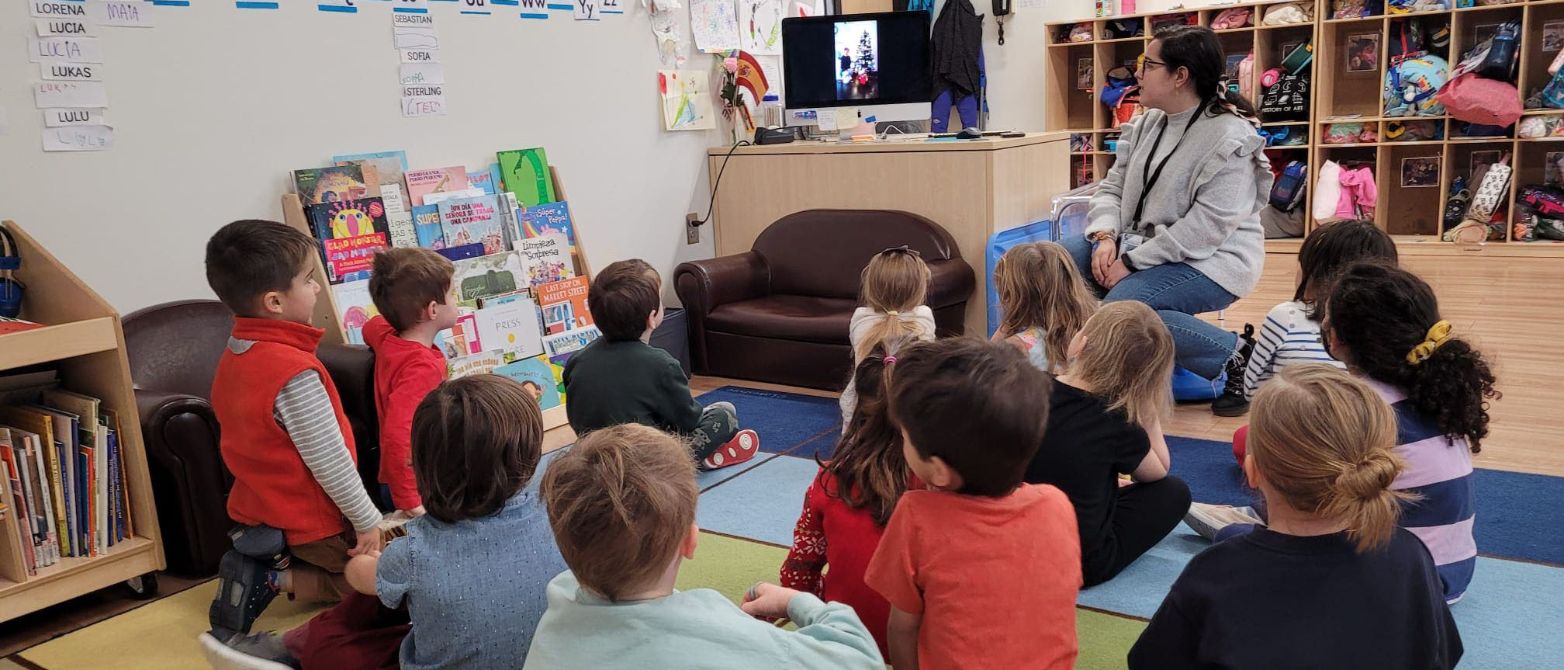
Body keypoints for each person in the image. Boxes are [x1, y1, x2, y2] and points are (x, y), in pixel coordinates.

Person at [1128, 365, 1463, 669]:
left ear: (1252, 471)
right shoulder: (1410, 555)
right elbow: (1442, 655)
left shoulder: (1216, 572)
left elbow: (1148, 662)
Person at [524, 424, 885, 669]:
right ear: (691, 540)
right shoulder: (727, 630)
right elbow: (859, 658)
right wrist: (797, 601)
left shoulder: (556, 611)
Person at [201, 221, 384, 643]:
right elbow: (329, 461)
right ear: (275, 302)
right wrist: (366, 520)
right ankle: (276, 579)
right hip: (312, 519)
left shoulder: (236, 353)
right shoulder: (293, 373)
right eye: (308, 280)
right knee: (387, 580)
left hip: (260, 504)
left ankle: (273, 562)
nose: (318, 288)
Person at [1070, 24, 1271, 399]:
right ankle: (1058, 363)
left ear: (1180, 76)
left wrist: (1130, 263)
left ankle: (1237, 356)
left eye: (1147, 64)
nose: (1137, 73)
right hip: (1138, 245)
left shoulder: (1232, 138)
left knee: (1123, 309)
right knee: (1052, 263)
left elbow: (1204, 230)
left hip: (1212, 261)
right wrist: (1104, 237)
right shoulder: (1146, 124)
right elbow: (1111, 188)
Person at [865, 338, 1081, 670]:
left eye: (904, 437)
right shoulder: (1057, 504)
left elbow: (901, 627)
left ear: (938, 470)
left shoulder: (916, 514)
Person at [1323, 261, 1495, 604]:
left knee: (1245, 542)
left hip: (1400, 584)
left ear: (1336, 337)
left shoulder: (1361, 405)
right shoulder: (1433, 394)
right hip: (1453, 576)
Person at [1025, 302, 1191, 586]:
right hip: (1079, 564)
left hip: (1010, 542)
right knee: (1174, 491)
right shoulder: (1118, 420)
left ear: (1082, 343)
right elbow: (1159, 473)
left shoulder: (1026, 386)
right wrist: (1147, 413)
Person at [781, 347, 915, 655]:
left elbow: (798, 573)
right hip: (922, 648)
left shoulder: (830, 480)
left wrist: (813, 613)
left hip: (843, 642)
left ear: (854, 411)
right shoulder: (939, 487)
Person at [564, 259, 759, 469]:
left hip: (593, 458)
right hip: (647, 464)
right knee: (724, 413)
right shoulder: (662, 365)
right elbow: (689, 421)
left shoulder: (576, 361)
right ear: (652, 318)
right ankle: (695, 459)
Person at [1212, 220, 1399, 417]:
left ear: (1314, 274)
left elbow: (1250, 389)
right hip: (1359, 437)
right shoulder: (1394, 328)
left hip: (1289, 434)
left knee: (1245, 438)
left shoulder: (1285, 317)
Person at [364, 248, 458, 516]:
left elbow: (371, 326)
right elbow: (399, 435)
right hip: (416, 486)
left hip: (396, 479)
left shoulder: (389, 338)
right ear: (431, 310)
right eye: (451, 294)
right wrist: (411, 501)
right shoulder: (422, 368)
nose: (455, 300)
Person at [839, 246, 935, 429]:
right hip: (909, 412)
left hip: (860, 412)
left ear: (871, 286)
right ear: (919, 290)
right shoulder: (924, 317)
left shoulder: (860, 318)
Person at [991, 241, 1098, 373]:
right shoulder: (1096, 323)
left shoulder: (1017, 347)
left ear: (1013, 297)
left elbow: (984, 375)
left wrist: (1006, 326)